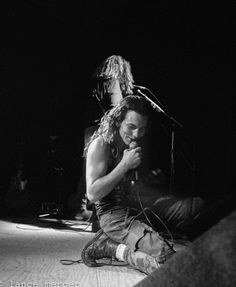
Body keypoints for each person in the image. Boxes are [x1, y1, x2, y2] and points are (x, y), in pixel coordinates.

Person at [81, 95, 204, 275]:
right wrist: (124, 165)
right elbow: (92, 194)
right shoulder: (100, 144)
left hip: (137, 206)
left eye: (142, 129)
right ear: (117, 121)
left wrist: (148, 181)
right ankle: (110, 248)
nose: (137, 134)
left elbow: (127, 188)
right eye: (131, 127)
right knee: (168, 263)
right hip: (113, 215)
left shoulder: (131, 144)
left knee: (196, 206)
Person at [70, 55, 135, 220]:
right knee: (108, 169)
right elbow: (116, 108)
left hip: (90, 129)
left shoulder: (96, 82)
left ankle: (81, 207)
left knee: (89, 169)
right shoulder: (112, 81)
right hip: (103, 130)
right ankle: (101, 211)